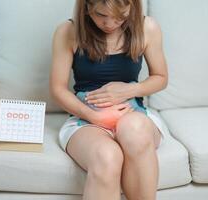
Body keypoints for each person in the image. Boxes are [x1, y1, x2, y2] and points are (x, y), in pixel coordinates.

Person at [50, 0, 168, 199]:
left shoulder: (147, 27)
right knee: (107, 156)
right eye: (101, 15)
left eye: (120, 16)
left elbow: (161, 78)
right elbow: (57, 89)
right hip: (86, 121)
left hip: (133, 114)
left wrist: (129, 90)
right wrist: (93, 116)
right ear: (86, 7)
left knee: (135, 132)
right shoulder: (68, 31)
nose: (110, 23)